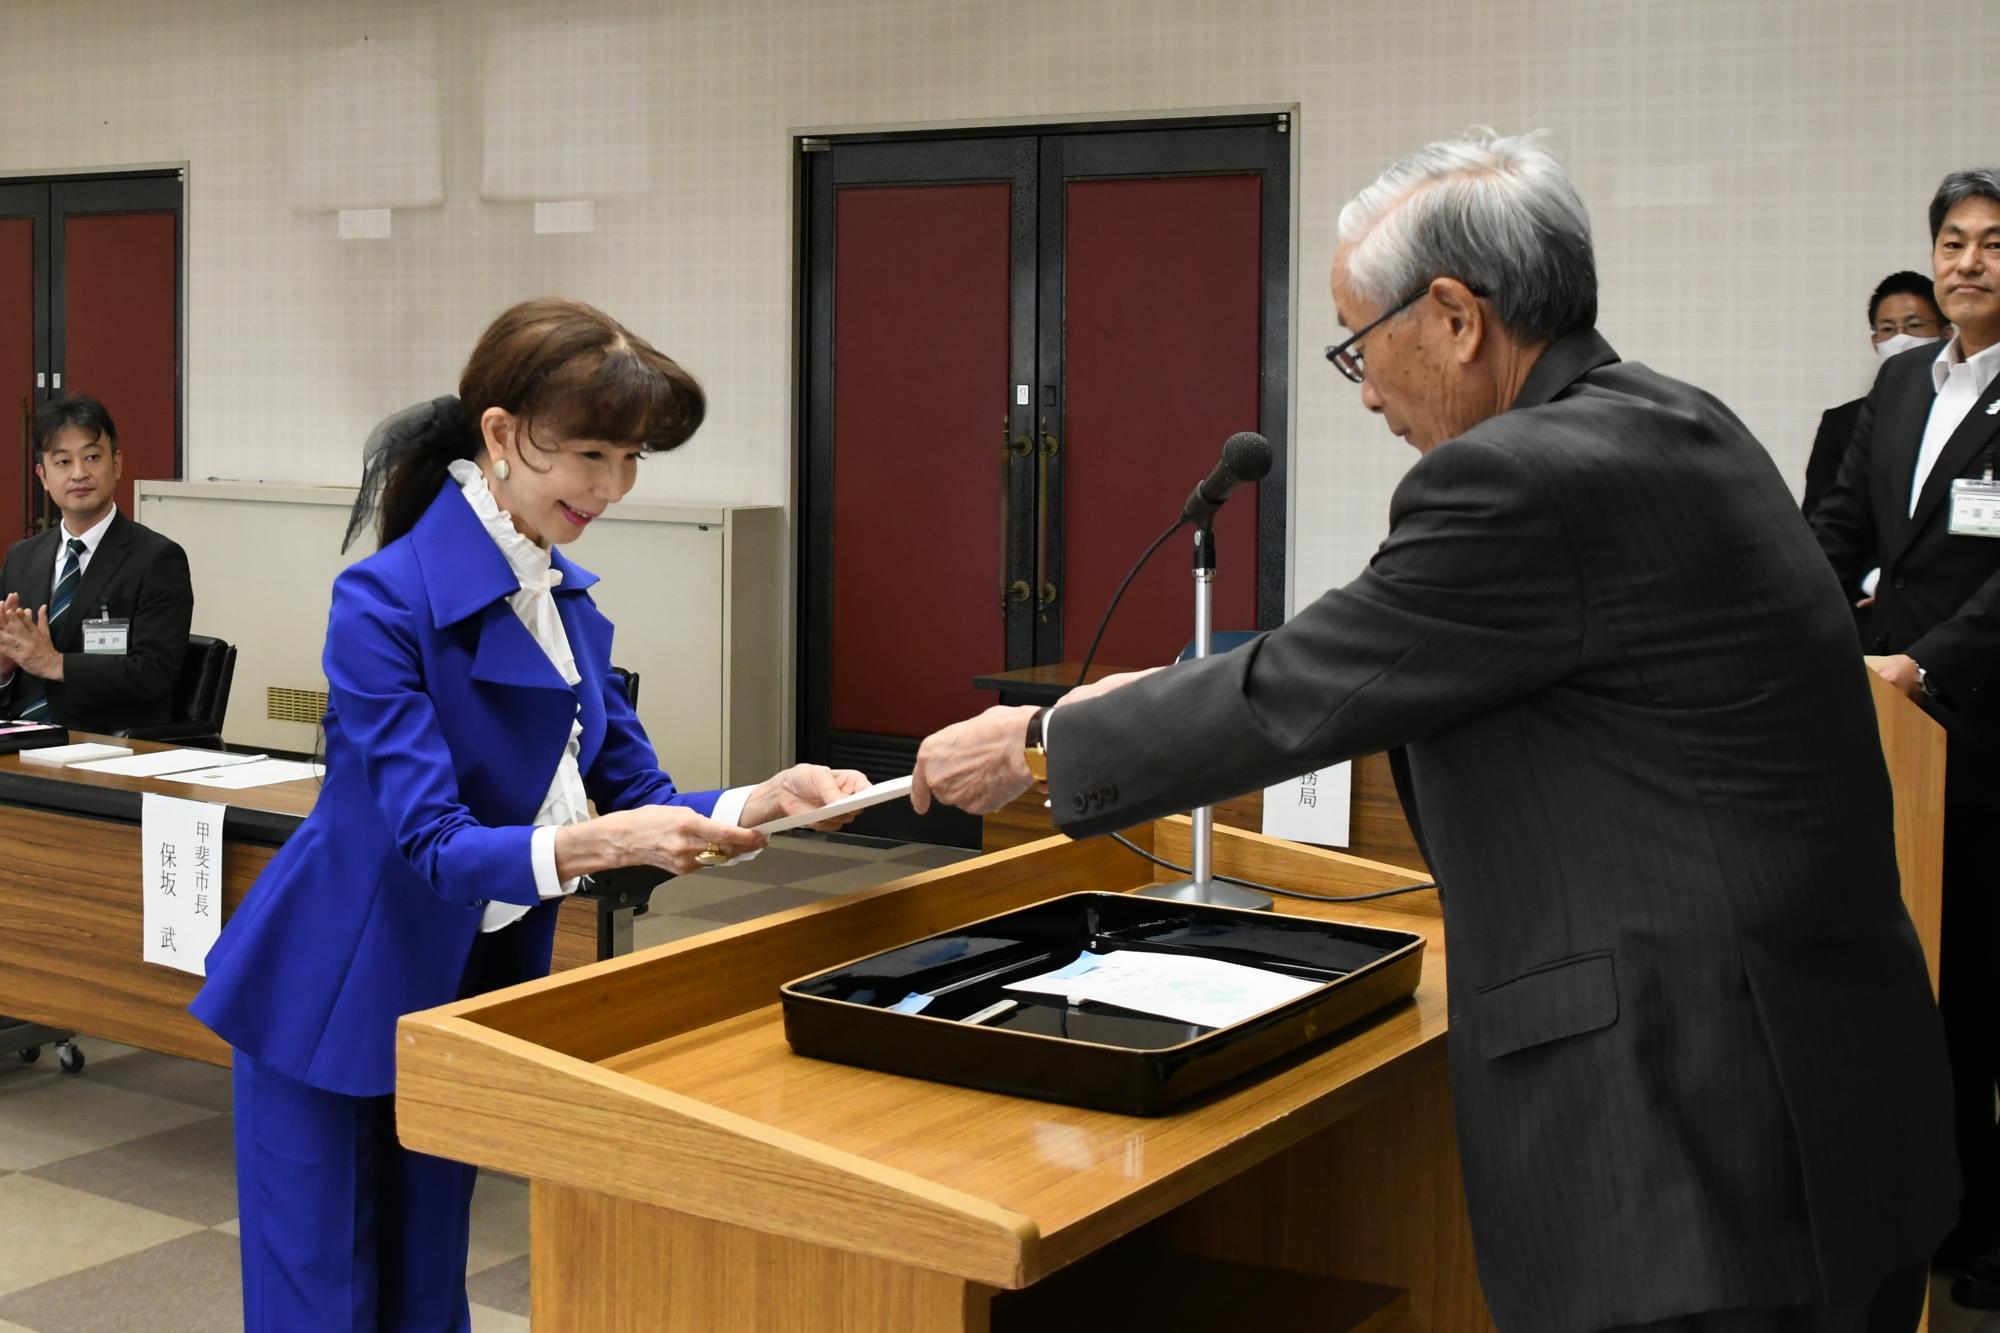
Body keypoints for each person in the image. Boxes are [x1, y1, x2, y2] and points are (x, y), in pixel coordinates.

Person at [911, 131, 1954, 1333]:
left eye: (1359, 342)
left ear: (1455, 315)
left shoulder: (1518, 476)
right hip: (1830, 1106)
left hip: (1687, 1151)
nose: (1359, 389)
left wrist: (1040, 743)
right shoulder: (1675, 420)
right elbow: (1404, 646)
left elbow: (1307, 686)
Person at [190, 298, 870, 1332]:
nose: (609, 487)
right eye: (589, 452)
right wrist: (605, 841)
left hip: (460, 987)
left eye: (629, 456)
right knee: (318, 1296)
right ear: (501, 436)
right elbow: (436, 845)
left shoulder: (570, 608)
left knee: (427, 1279)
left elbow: (642, 798)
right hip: (329, 983)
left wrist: (764, 798)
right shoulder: (381, 602)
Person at [1810, 167, 2000, 1310]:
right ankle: (1926, 1203)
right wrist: (1815, 634)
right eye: (1951, 241)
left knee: (1980, 990)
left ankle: (1984, 1222)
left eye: (1989, 243)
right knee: (1908, 985)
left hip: (1978, 728)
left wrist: (1924, 663)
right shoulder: (1895, 389)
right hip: (1884, 731)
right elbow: (1832, 528)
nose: (1967, 261)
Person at [0, 394, 192, 731]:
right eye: (62, 462)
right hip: (19, 742)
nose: (79, 474)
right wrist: (3, 670)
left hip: (103, 744)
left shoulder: (157, 559)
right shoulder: (21, 557)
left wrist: (57, 664)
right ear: (42, 476)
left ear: (116, 464)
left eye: (91, 457)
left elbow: (155, 674)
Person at [1802, 272, 1949, 519]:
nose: (1901, 339)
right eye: (1888, 329)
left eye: (1914, 325)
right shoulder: (1841, 423)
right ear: (1875, 341)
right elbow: (1820, 516)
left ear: (1947, 333)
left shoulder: (1972, 407)